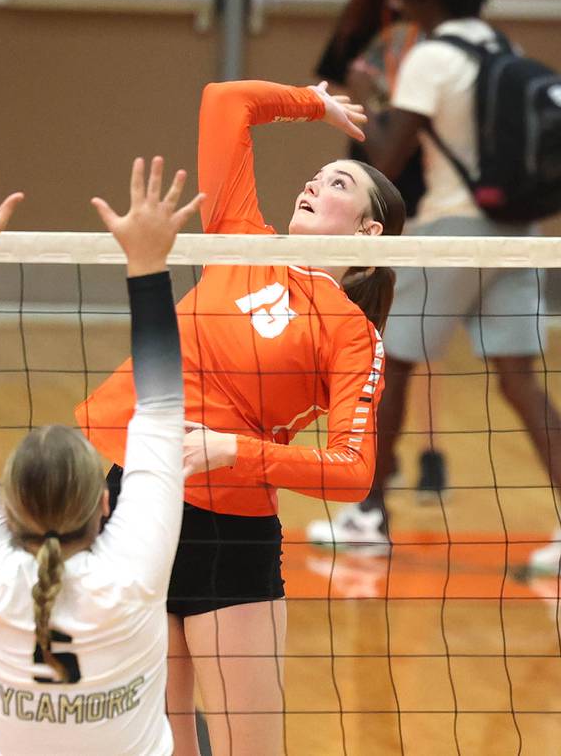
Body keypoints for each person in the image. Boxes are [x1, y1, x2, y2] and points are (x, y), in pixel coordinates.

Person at [76, 80, 406, 756]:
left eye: (338, 182)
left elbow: (353, 473)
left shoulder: (351, 332)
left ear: (370, 233)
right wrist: (314, 103)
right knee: (150, 744)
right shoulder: (241, 240)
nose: (314, 183)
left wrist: (233, 451)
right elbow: (226, 101)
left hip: (228, 534)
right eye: (316, 175)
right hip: (134, 508)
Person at [0, 146, 203, 756]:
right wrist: (148, 262)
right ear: (105, 501)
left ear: (6, 504)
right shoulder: (130, 575)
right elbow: (160, 407)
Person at [307, 0, 561, 575]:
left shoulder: (430, 56)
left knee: (389, 366)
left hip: (451, 230)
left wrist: (371, 99)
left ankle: (370, 514)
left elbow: (388, 162)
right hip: (514, 234)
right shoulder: (504, 48)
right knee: (518, 381)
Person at [316, 0, 445, 497]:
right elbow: (337, 82)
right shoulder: (363, 15)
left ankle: (430, 451)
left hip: (426, 172)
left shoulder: (442, 17)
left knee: (425, 318)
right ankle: (368, 449)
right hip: (376, 165)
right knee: (380, 310)